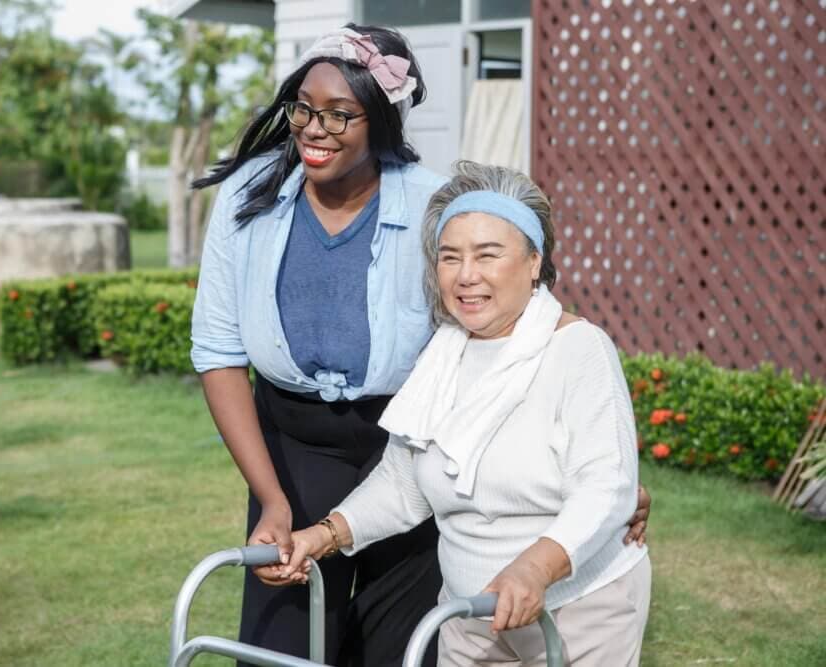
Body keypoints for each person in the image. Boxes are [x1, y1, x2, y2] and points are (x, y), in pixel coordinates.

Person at [190, 24, 650, 666]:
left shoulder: (446, 214)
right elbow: (222, 354)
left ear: (380, 121)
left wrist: (611, 482)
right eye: (304, 108)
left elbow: (524, 342)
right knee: (283, 641)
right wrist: (294, 515)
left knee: (399, 643)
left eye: (340, 113)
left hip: (442, 464)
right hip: (297, 447)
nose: (315, 127)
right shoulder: (253, 198)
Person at [283, 162, 652, 666]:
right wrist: (322, 536)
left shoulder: (579, 350)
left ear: (533, 262)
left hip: (580, 608)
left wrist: (534, 570)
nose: (466, 275)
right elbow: (403, 483)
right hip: (467, 613)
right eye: (450, 257)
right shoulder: (443, 355)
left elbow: (606, 488)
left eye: (488, 254)